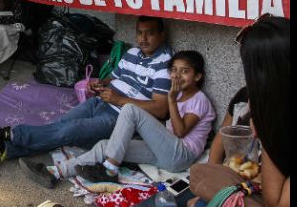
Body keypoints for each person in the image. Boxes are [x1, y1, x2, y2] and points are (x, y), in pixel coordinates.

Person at [0, 16, 173, 170]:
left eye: (150, 33)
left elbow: (161, 110)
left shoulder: (165, 64)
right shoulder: (132, 53)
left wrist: (119, 99)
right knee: (60, 125)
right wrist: (98, 83)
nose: (143, 39)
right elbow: (113, 78)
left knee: (69, 130)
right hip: (101, 100)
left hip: (121, 118)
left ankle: (5, 133)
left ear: (162, 35)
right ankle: (4, 151)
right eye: (139, 33)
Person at [23, 51, 215, 189]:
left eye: (185, 71)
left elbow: (181, 131)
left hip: (180, 155)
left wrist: (170, 100)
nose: (177, 76)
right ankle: (55, 172)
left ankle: (109, 170)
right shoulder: (177, 95)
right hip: (165, 151)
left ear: (197, 76)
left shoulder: (199, 100)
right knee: (106, 145)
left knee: (131, 109)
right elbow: (166, 127)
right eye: (174, 70)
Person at [189, 15, 289, 207]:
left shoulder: (271, 113)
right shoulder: (252, 100)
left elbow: (275, 203)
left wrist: (265, 127)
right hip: (254, 182)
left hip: (268, 197)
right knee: (199, 176)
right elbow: (223, 136)